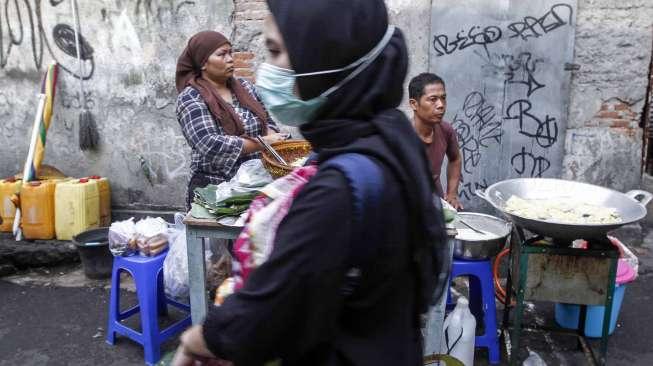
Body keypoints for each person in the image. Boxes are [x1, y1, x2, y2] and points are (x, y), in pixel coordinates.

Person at [172, 1, 447, 365]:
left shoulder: (337, 190)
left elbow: (266, 315)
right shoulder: (391, 133)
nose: (268, 71)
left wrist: (198, 338)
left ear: (321, 58)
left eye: (275, 51)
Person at [176, 31, 287, 209]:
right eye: (222, 54)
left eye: (230, 52)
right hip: (214, 189)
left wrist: (274, 137)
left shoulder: (245, 87)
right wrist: (263, 143)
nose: (230, 59)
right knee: (219, 235)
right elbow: (210, 144)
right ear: (203, 62)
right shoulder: (191, 98)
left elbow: (266, 122)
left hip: (255, 183)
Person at [409, 73, 464, 210]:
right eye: (433, 99)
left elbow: (455, 159)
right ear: (414, 104)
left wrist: (452, 194)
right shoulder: (402, 137)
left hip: (436, 204)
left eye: (443, 98)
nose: (441, 105)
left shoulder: (446, 130)